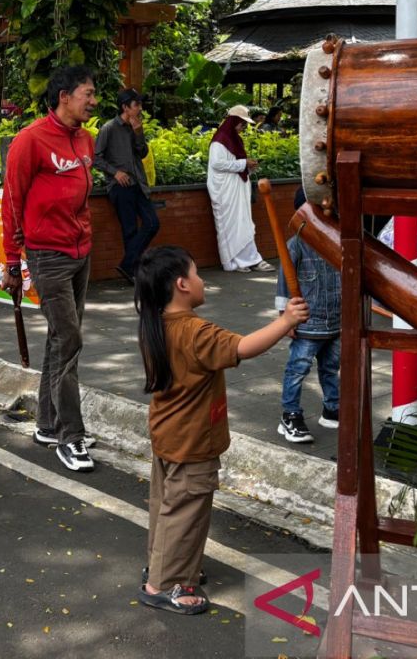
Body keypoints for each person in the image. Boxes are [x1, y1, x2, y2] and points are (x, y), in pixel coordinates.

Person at [134, 245, 308, 614]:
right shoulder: (195, 332)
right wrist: (285, 321)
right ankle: (163, 585)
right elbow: (243, 347)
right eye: (197, 275)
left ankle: (167, 566)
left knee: (166, 506)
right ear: (182, 284)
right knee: (185, 513)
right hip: (193, 441)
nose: (202, 281)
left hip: (168, 433)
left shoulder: (154, 322)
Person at [1, 65, 100, 472]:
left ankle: (47, 422)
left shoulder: (87, 141)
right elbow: (12, 199)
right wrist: (11, 259)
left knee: (61, 339)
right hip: (47, 255)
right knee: (70, 339)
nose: (93, 101)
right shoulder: (30, 140)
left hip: (81, 252)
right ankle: (69, 436)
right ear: (63, 95)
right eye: (87, 93)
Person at [274, 189, 341, 443]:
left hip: (335, 320)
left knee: (330, 367)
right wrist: (284, 317)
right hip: (308, 323)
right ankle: (290, 414)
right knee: (297, 369)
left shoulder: (336, 242)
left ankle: (332, 408)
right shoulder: (296, 246)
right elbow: (284, 282)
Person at [94, 88, 158, 282]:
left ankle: (127, 265)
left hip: (138, 182)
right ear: (125, 107)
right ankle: (133, 272)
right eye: (136, 105)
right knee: (129, 229)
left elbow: (143, 153)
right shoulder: (109, 128)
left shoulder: (136, 126)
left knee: (152, 223)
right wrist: (115, 172)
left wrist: (139, 133)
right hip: (119, 185)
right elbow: (95, 157)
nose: (140, 108)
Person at [206, 105, 272, 273]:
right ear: (234, 121)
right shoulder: (220, 140)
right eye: (242, 124)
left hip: (236, 188)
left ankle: (249, 259)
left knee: (243, 224)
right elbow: (217, 163)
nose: (244, 128)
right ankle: (236, 261)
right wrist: (244, 163)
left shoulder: (235, 139)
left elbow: (236, 163)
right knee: (231, 225)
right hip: (225, 190)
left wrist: (248, 166)